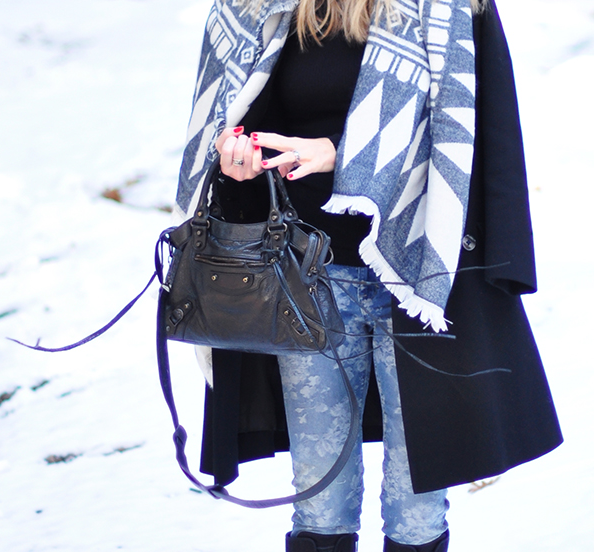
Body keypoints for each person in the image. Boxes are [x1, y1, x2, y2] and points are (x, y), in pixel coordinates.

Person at [174, 0, 563, 550]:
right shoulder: (260, 9)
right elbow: (245, 121)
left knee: (416, 503)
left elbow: (476, 132)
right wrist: (238, 162)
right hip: (307, 276)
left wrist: (341, 155)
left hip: (420, 275)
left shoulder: (448, 9)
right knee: (317, 500)